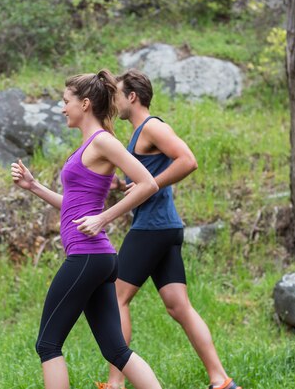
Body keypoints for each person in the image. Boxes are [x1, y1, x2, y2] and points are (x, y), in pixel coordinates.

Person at [11, 69, 163, 389]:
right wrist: (34, 186)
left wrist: (104, 218)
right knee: (116, 350)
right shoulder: (88, 145)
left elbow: (147, 183)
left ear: (84, 104)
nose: (62, 107)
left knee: (48, 344)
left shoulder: (103, 142)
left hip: (87, 256)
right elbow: (74, 206)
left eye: (65, 101)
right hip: (98, 258)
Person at [97, 69, 242, 389]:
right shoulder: (139, 133)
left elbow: (187, 160)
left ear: (132, 97)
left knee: (115, 297)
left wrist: (148, 186)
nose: (115, 102)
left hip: (152, 227)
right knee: (179, 305)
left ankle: (115, 383)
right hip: (165, 227)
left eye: (118, 95)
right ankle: (221, 380)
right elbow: (146, 178)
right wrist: (127, 186)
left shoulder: (152, 127)